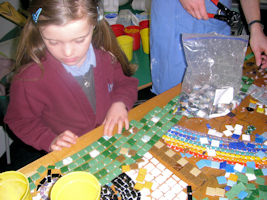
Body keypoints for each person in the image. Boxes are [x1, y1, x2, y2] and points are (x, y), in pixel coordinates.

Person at [4, 0, 138, 153]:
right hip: (72, 152)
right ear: (39, 31)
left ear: (94, 25)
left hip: (111, 140)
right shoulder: (29, 79)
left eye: (79, 40)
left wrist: (120, 103)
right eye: (53, 42)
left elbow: (125, 83)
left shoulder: (106, 57)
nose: (68, 52)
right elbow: (19, 120)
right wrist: (49, 139)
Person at [150, 0, 267, 95]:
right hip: (176, 20)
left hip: (217, 19)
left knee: (213, 90)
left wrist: (255, 27)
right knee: (173, 95)